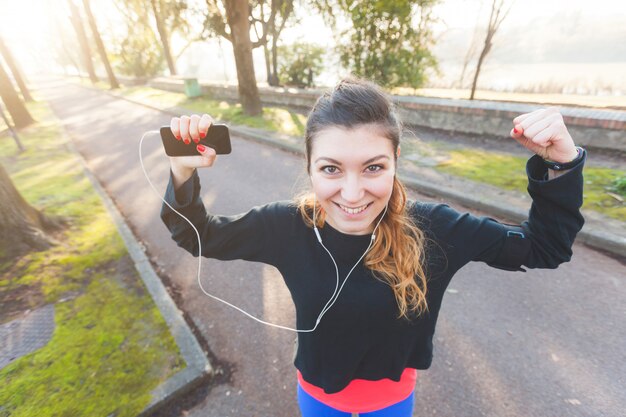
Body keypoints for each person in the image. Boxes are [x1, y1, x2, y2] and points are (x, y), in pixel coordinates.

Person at [160, 77, 585, 416]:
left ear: (395, 158)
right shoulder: (286, 226)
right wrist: (181, 171)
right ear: (309, 165)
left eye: (373, 167)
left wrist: (562, 164)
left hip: (393, 404)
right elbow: (198, 234)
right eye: (331, 168)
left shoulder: (437, 229)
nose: (352, 193)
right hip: (318, 400)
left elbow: (545, 248)